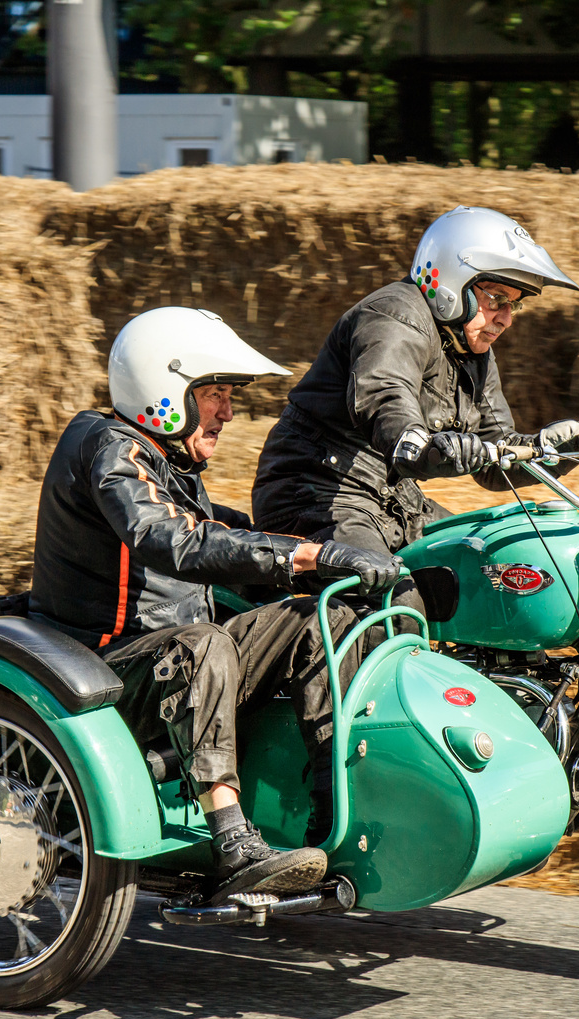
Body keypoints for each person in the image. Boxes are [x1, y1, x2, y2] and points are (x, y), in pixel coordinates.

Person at [29, 307, 404, 906]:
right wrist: (306, 556)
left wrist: (340, 555)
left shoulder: (168, 460)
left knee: (320, 619)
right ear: (165, 387)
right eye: (216, 395)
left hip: (174, 657)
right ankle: (233, 844)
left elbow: (221, 530)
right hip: (106, 672)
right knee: (204, 645)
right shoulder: (108, 449)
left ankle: (334, 821)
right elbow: (170, 537)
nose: (229, 412)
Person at [250, 206, 579, 577]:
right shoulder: (394, 315)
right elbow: (385, 395)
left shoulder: (473, 350)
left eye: (515, 305)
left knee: (495, 567)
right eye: (497, 299)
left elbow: (498, 457)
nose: (506, 318)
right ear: (452, 281)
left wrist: (576, 442)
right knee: (396, 597)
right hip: (315, 494)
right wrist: (421, 444)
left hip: (392, 500)